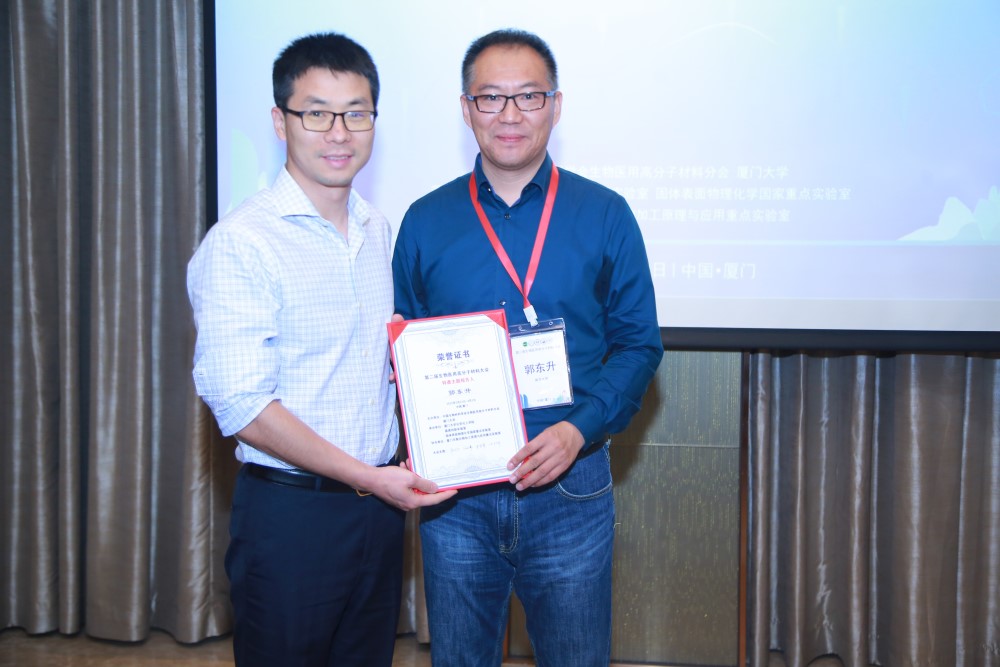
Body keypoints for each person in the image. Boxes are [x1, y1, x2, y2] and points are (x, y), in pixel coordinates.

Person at [392, 28, 663, 667]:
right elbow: (405, 352)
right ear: (466, 109)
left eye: (529, 96)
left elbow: (638, 345)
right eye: (491, 98)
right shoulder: (424, 221)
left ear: (556, 106)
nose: (509, 115)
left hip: (570, 486)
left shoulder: (605, 214)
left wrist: (577, 430)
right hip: (455, 499)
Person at [187, 32, 455, 667]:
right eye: (316, 113)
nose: (339, 133)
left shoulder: (376, 228)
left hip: (378, 515)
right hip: (291, 518)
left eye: (356, 113)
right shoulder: (242, 243)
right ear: (280, 122)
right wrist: (368, 478)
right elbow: (244, 407)